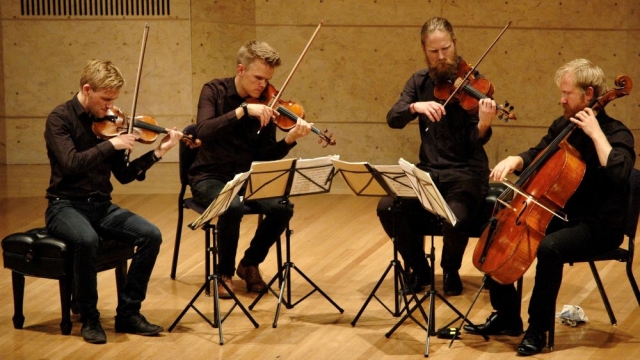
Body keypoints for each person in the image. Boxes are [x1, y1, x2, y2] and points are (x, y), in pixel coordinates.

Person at [463, 58, 635, 356]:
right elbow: (538, 153)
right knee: (496, 227)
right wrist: (516, 160)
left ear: (589, 94)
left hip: (599, 226)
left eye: (567, 93)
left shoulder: (617, 133)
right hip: (564, 214)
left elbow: (620, 173)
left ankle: (537, 329)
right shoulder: (563, 126)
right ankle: (506, 318)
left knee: (549, 248)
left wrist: (596, 134)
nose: (561, 98)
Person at [44, 59, 181, 344]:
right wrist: (110, 145)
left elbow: (125, 175)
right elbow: (70, 164)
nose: (110, 108)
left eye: (113, 101)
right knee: (87, 240)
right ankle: (90, 317)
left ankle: (128, 313)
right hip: (64, 205)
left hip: (101, 206)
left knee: (150, 235)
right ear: (86, 89)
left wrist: (158, 152)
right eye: (105, 100)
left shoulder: (111, 125)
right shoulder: (60, 119)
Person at [377, 17, 498, 296]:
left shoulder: (474, 85)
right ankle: (419, 269)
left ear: (454, 44)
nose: (441, 56)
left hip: (467, 173)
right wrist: (415, 107)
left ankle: (450, 270)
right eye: (434, 52)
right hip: (429, 172)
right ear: (424, 49)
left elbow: (475, 140)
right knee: (387, 206)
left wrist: (484, 124)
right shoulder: (418, 82)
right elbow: (393, 118)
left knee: (454, 216)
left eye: (446, 49)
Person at [189, 40, 312, 299]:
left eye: (267, 80)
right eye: (258, 78)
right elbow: (203, 130)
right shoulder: (214, 90)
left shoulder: (267, 103)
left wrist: (289, 140)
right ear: (240, 69)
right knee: (231, 206)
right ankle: (224, 274)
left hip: (247, 177)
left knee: (282, 207)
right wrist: (242, 111)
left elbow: (265, 156)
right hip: (209, 176)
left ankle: (249, 263)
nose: (263, 86)